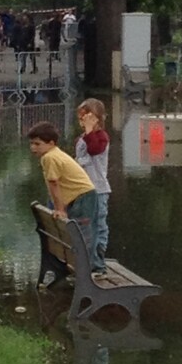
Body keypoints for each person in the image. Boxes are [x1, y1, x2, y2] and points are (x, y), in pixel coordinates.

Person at [27, 121, 100, 275]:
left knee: (85, 234)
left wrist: (60, 209)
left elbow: (54, 184)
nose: (33, 148)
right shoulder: (52, 155)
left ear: (51, 143)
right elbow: (55, 185)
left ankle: (93, 268)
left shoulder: (50, 157)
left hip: (83, 197)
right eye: (32, 144)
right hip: (79, 197)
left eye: (37, 144)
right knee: (82, 233)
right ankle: (87, 267)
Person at [75, 98, 110, 274]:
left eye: (87, 118)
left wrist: (90, 131)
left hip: (97, 190)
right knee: (86, 227)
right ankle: (88, 260)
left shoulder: (101, 137)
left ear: (97, 118)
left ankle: (97, 263)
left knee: (98, 227)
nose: (83, 122)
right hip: (84, 191)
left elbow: (94, 149)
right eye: (81, 118)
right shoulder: (83, 138)